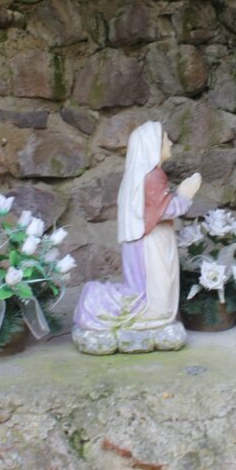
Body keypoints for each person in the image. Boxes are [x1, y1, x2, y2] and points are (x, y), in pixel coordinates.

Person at [74, 121, 202, 333]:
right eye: (164, 139)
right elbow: (165, 209)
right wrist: (184, 195)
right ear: (152, 146)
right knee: (151, 295)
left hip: (144, 241)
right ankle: (101, 302)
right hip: (150, 244)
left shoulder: (142, 175)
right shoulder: (152, 176)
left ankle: (150, 314)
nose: (170, 142)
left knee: (143, 290)